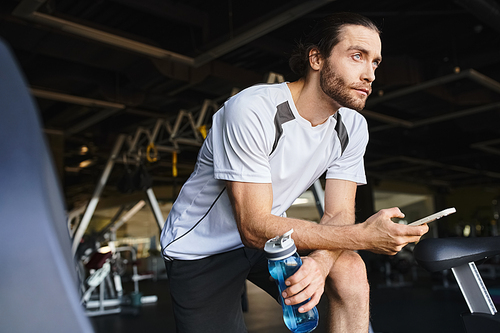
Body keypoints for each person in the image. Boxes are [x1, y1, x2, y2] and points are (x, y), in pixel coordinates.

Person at [160, 12, 429, 333]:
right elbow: (252, 226)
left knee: (350, 268)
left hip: (271, 238)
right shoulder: (252, 109)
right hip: (203, 248)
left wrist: (320, 262)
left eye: (375, 63)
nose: (370, 74)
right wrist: (364, 236)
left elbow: (340, 212)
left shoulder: (353, 126)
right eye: (357, 56)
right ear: (316, 58)